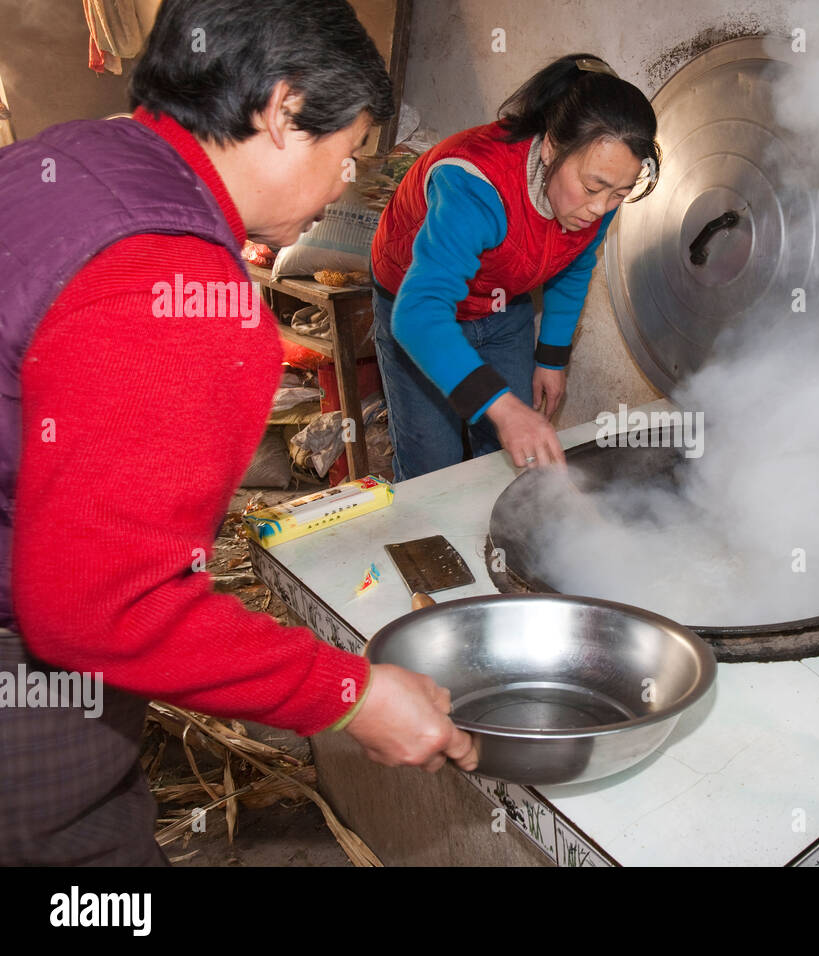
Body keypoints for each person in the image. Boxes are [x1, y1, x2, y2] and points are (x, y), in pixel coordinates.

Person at [0, 0, 474, 867]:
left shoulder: (78, 155)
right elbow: (104, 609)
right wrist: (349, 692)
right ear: (283, 111)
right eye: (348, 153)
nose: (343, 185)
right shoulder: (169, 285)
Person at [369, 54, 660, 480]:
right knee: (434, 468)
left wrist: (552, 359)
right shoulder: (474, 185)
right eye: (592, 187)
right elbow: (418, 316)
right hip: (419, 306)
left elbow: (575, 264)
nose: (600, 207)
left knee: (510, 459)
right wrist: (505, 409)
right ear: (551, 147)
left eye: (619, 192)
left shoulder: (604, 188)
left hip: (503, 303)